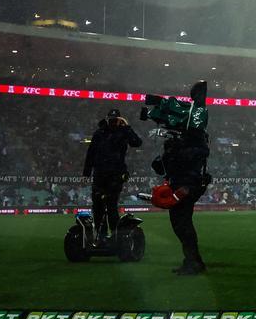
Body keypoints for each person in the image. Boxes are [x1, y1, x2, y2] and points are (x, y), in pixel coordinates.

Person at [152, 121, 211, 274]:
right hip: (178, 185)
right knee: (180, 225)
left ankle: (193, 262)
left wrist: (176, 149)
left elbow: (198, 154)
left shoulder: (193, 147)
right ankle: (193, 261)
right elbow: (163, 168)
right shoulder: (176, 149)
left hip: (186, 187)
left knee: (183, 225)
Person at [83, 107, 142, 244]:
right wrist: (87, 172)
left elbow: (137, 143)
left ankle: (115, 237)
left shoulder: (123, 132)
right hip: (101, 174)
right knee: (98, 206)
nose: (113, 122)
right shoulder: (99, 133)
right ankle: (101, 236)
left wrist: (127, 128)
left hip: (115, 175)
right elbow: (91, 153)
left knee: (111, 206)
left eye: (115, 120)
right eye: (112, 120)